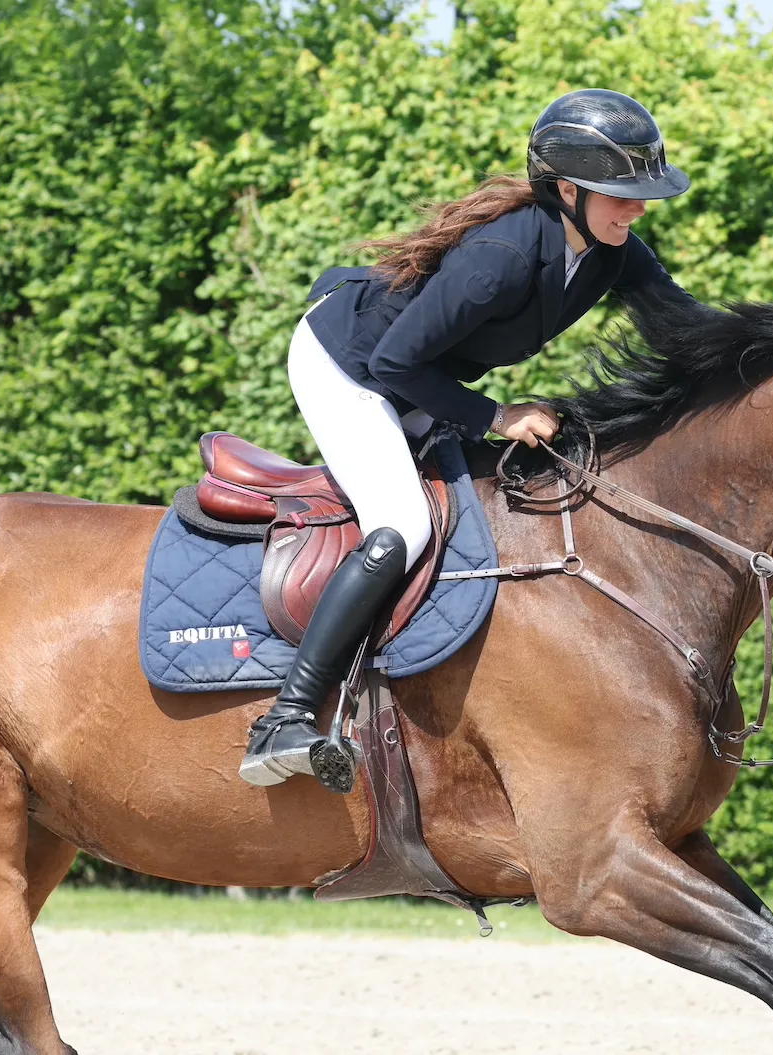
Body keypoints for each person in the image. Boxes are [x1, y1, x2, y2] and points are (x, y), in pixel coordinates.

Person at [239, 88, 694, 790]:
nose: (639, 210)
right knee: (404, 524)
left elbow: (689, 326)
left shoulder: (609, 250)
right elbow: (394, 362)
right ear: (567, 191)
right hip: (350, 365)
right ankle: (285, 718)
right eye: (622, 195)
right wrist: (498, 416)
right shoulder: (499, 257)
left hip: (417, 372)